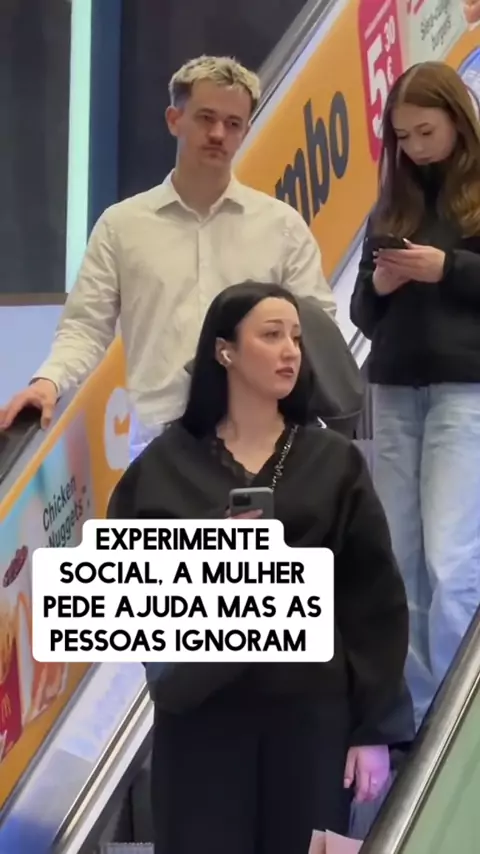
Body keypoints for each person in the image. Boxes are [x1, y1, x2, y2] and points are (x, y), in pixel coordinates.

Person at [108, 281, 412, 854]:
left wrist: (374, 730)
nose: (290, 350)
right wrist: (212, 554)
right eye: (271, 335)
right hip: (200, 719)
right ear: (224, 351)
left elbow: (374, 603)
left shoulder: (333, 461)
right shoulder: (162, 468)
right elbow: (128, 593)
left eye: (295, 337)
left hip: (311, 719)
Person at [0, 55, 335, 460]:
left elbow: (318, 327)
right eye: (205, 118)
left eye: (233, 124)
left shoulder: (282, 226)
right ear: (175, 120)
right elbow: (85, 327)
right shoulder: (122, 226)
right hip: (160, 444)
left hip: (264, 439)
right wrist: (47, 382)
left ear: (246, 132)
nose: (218, 133)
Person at [349, 61, 480, 729]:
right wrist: (382, 285)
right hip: (395, 391)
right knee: (400, 563)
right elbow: (362, 315)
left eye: (425, 132)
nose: (414, 148)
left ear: (457, 120)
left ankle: (459, 727)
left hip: (466, 391)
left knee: (451, 559)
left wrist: (446, 268)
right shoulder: (392, 204)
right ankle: (420, 721)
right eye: (402, 136)